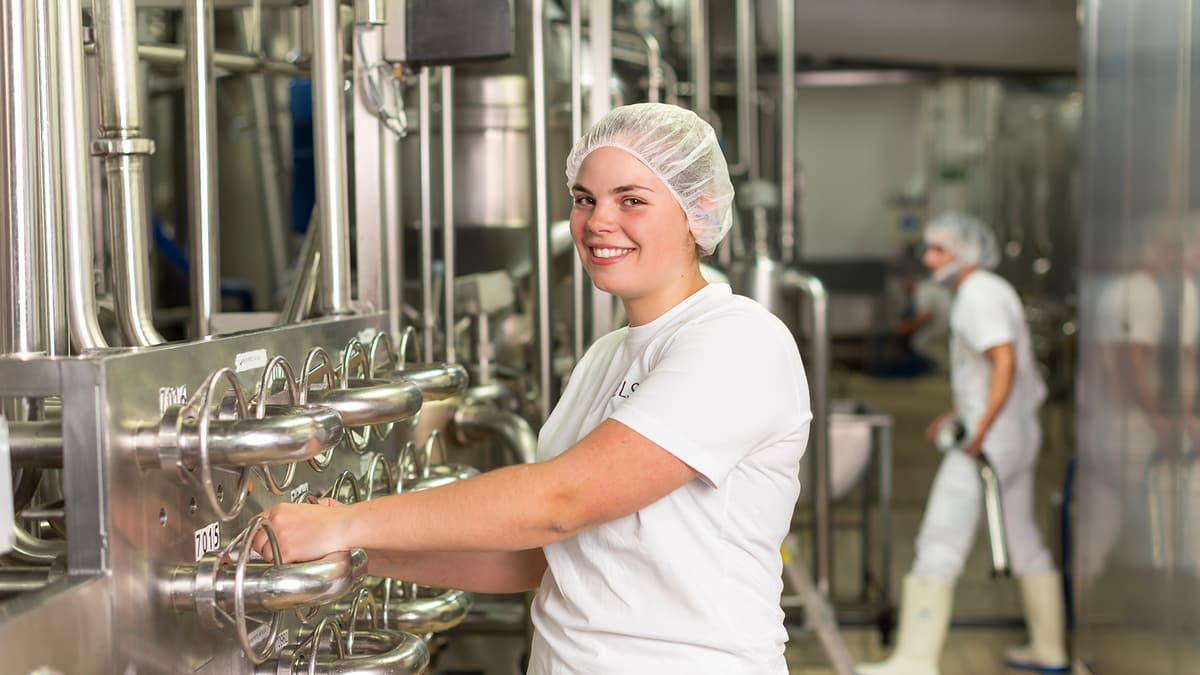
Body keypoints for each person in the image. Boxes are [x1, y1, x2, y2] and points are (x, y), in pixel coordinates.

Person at [252, 102, 812, 674]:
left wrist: (349, 521)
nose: (598, 222)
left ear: (700, 213)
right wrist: (354, 553)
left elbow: (559, 502)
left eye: (633, 200)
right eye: (585, 199)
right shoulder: (605, 357)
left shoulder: (739, 341)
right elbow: (539, 561)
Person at [856, 212, 1067, 675]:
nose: (929, 258)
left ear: (965, 253)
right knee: (1024, 537)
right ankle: (1049, 648)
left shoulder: (974, 297)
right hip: (1017, 434)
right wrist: (964, 413)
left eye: (939, 250)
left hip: (991, 442)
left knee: (939, 539)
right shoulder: (994, 288)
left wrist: (980, 429)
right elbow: (996, 371)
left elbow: (1004, 362)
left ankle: (914, 660)